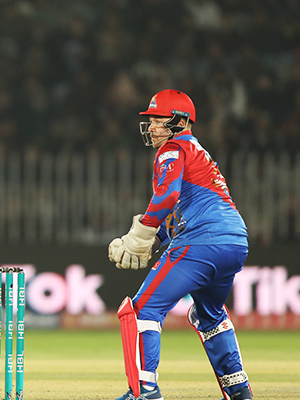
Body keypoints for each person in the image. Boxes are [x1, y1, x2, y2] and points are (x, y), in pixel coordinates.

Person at [108, 90, 252, 400]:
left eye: (159, 120)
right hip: (235, 241)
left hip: (201, 241)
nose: (153, 127)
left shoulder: (172, 149)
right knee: (209, 315)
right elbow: (185, 211)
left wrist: (141, 233)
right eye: (151, 121)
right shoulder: (197, 151)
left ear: (181, 121)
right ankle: (239, 392)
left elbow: (168, 196)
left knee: (141, 310)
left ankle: (144, 393)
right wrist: (155, 239)